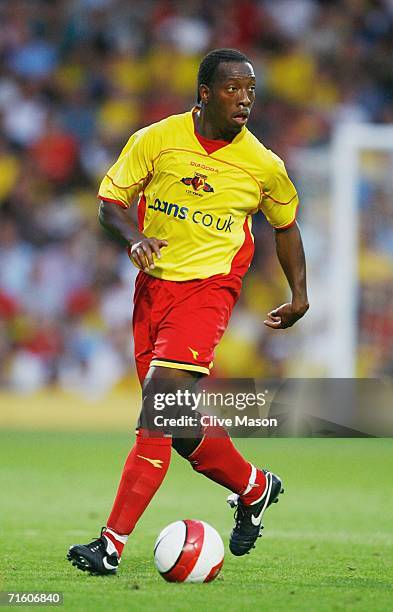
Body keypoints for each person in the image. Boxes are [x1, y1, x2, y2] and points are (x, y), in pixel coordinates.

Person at [67, 48, 309, 575]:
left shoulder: (264, 164)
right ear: (205, 94)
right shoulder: (156, 139)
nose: (244, 99)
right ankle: (255, 487)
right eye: (232, 89)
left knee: (157, 411)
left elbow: (285, 226)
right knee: (177, 426)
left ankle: (111, 545)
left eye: (250, 89)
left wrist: (299, 295)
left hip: (208, 294)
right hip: (152, 291)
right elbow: (110, 203)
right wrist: (134, 238)